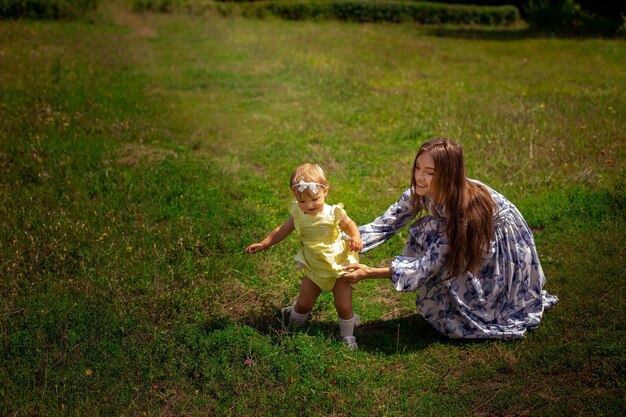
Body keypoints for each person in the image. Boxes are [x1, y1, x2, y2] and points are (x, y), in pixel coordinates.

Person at [342, 138, 558, 340]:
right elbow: (385, 224)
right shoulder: (421, 192)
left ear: (448, 175)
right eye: (418, 167)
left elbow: (426, 265)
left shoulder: (462, 213)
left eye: (430, 172)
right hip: (461, 234)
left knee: (432, 236)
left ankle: (486, 294)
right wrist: (339, 239)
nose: (419, 177)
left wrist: (368, 273)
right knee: (432, 229)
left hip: (501, 243)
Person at [246, 163, 363, 349]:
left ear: (326, 191)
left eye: (314, 199)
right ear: (296, 198)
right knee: (303, 303)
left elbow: (349, 225)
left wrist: (355, 236)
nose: (308, 205)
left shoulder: (333, 212)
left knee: (344, 306)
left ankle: (347, 336)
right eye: (302, 201)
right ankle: (291, 330)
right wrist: (264, 243)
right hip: (314, 266)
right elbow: (281, 230)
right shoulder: (298, 214)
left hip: (339, 265)